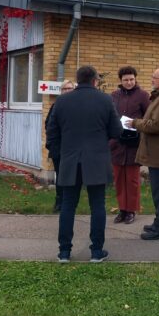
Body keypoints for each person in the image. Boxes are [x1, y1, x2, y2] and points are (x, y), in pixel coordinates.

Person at [46, 66, 122, 263]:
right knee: (98, 205)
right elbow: (116, 130)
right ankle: (96, 251)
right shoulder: (105, 100)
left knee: (67, 205)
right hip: (96, 159)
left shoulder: (61, 101)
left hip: (69, 160)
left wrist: (60, 155)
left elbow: (52, 132)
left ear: (78, 80)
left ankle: (64, 251)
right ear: (95, 80)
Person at [126, 67, 159, 240]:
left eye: (155, 77)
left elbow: (157, 126)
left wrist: (134, 123)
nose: (152, 79)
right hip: (158, 154)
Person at [109, 66, 150, 224]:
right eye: (126, 80)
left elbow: (148, 118)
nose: (129, 82)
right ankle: (122, 210)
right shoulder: (114, 96)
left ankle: (131, 210)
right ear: (121, 80)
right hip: (117, 144)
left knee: (132, 180)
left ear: (135, 78)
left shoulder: (143, 95)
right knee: (119, 179)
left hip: (134, 144)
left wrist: (136, 126)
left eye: (131, 79)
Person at [46, 79, 76, 213]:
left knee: (72, 176)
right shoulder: (56, 105)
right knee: (60, 176)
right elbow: (48, 125)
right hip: (58, 148)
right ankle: (59, 202)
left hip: (73, 149)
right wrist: (53, 145)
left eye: (70, 88)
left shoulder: (78, 105)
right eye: (65, 89)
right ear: (61, 91)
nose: (68, 91)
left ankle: (70, 203)